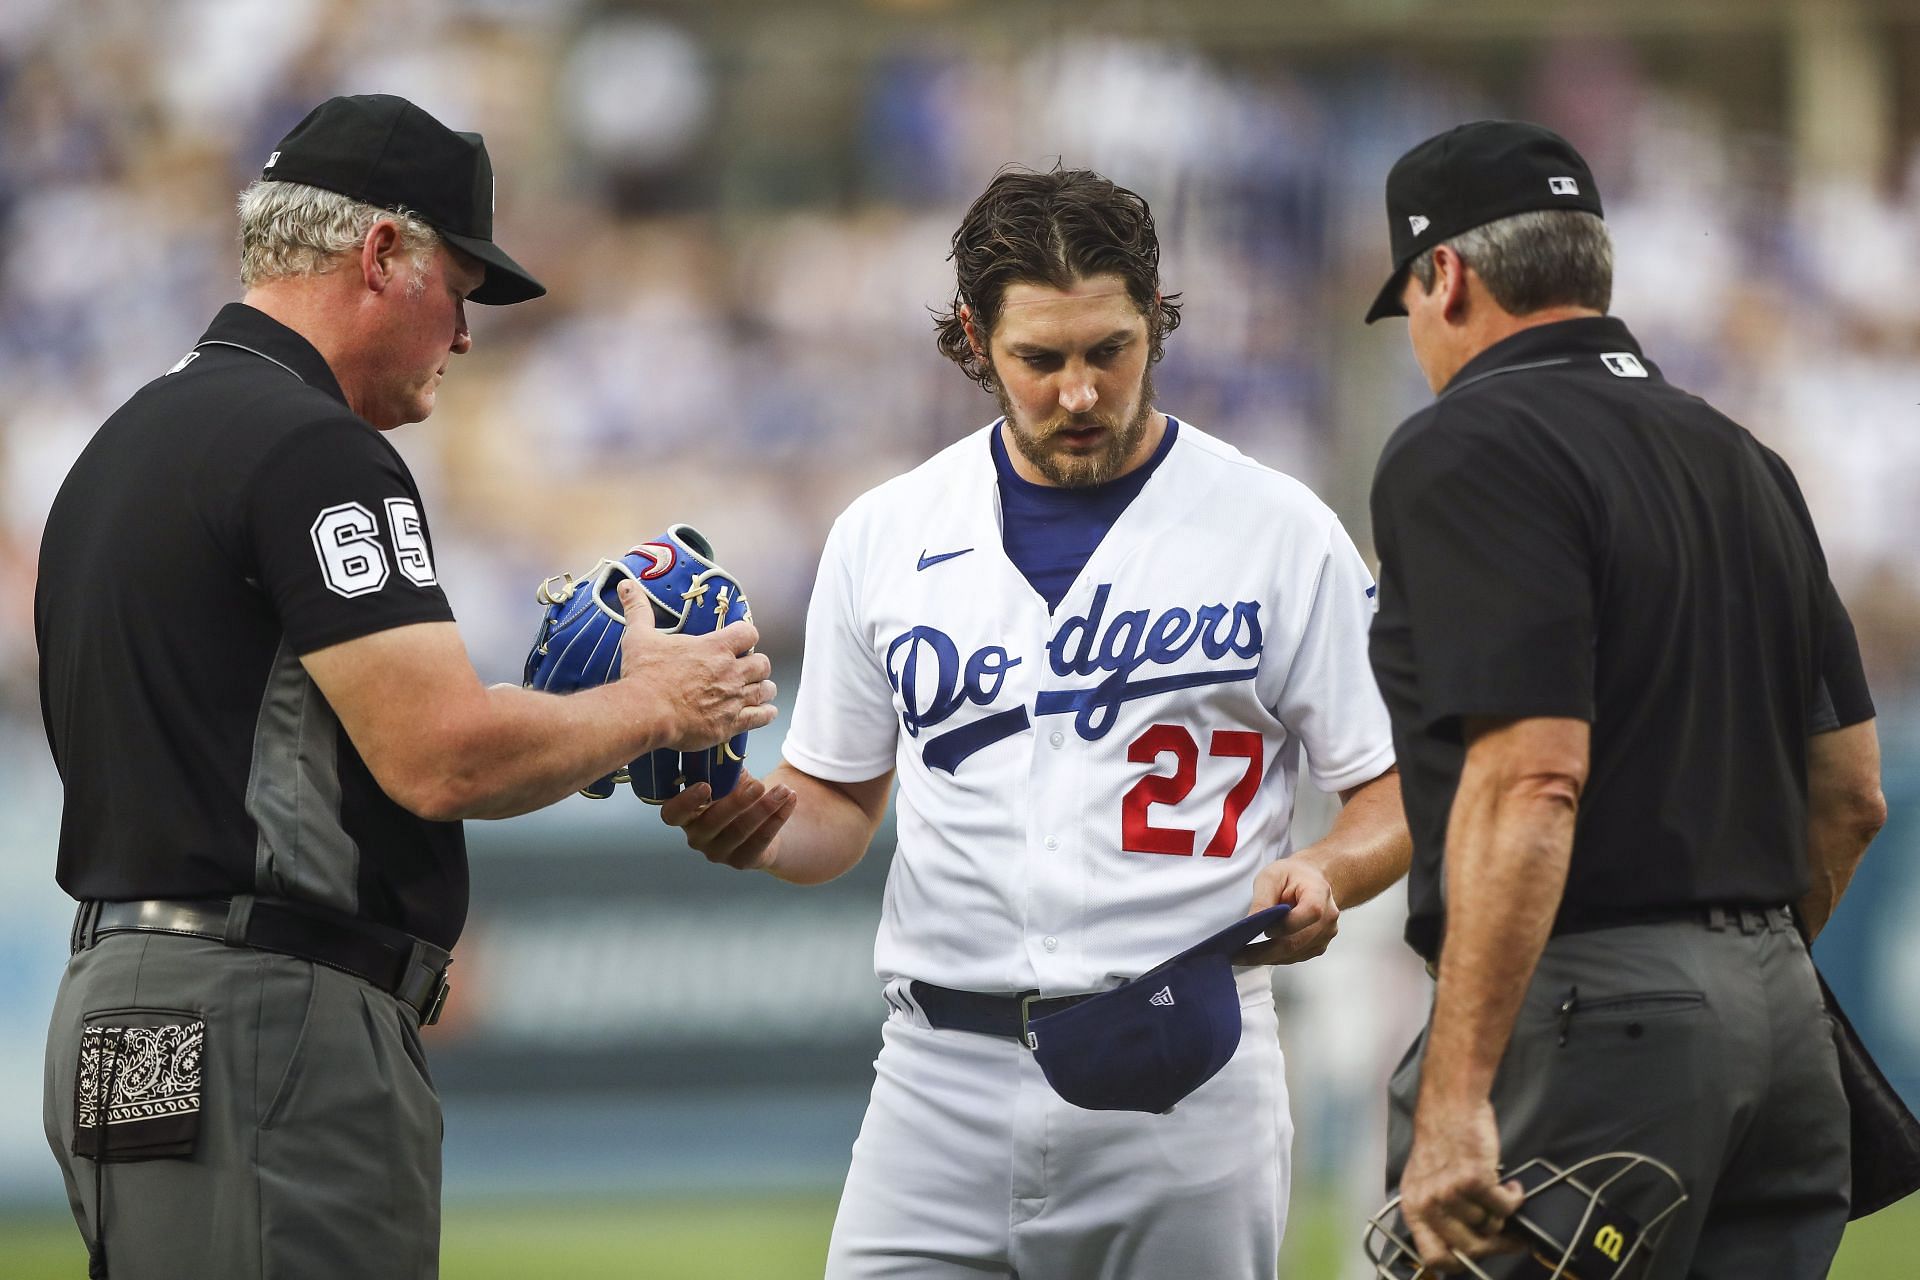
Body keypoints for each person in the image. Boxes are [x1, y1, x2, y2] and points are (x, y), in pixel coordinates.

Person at [35, 93, 775, 1280]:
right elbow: (443, 754)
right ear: (382, 252)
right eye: (461, 286)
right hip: (266, 1017)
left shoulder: (127, 442)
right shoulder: (311, 444)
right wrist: (656, 700)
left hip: (123, 1006)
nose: (468, 335)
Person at [663, 167, 1410, 1278]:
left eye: (1109, 350)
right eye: (1041, 358)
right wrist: (748, 814)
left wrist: (1332, 871)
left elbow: (1394, 787)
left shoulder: (1276, 528)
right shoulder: (888, 532)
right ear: (974, 338)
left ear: (1155, 322)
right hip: (936, 1075)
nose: (1078, 391)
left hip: (1186, 1065)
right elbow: (834, 813)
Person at [1363, 120, 1887, 1277]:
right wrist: (1734, 976)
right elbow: (1851, 793)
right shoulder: (1742, 455)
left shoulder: (1468, 442)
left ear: (1443, 275)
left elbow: (1535, 773)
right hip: (1784, 1025)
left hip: (1589, 1013)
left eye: (1406, 301)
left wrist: (1456, 1096)